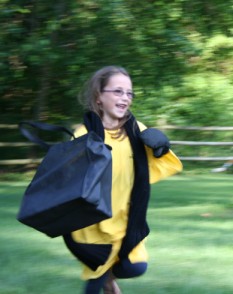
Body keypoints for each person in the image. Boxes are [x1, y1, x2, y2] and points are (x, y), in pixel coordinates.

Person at [63, 65, 183, 294]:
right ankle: (104, 278)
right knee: (94, 285)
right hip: (94, 224)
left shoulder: (136, 130)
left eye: (129, 93)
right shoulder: (83, 135)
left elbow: (163, 166)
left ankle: (109, 276)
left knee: (135, 267)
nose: (125, 98)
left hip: (126, 220)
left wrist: (160, 148)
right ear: (99, 97)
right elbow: (68, 182)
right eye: (118, 91)